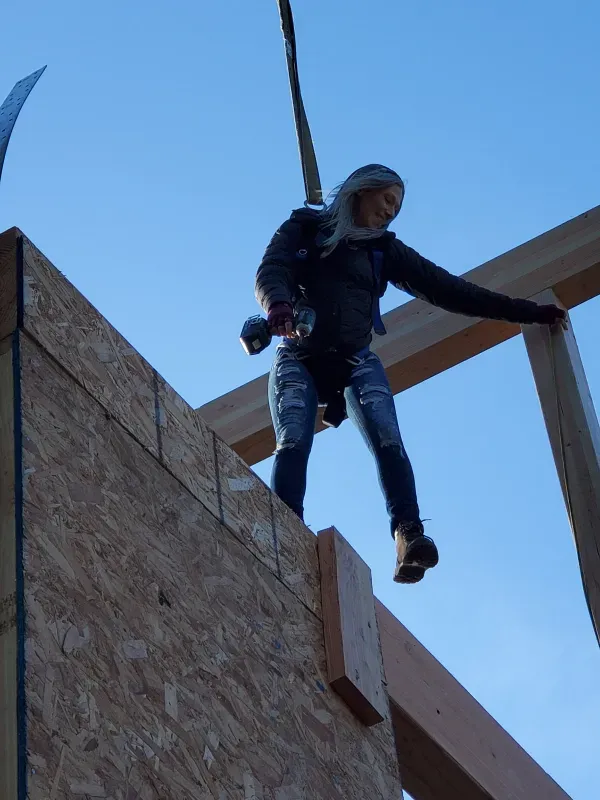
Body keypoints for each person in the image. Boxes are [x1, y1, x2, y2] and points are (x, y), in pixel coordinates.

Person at [254, 164, 566, 584]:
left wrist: (526, 312)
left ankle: (409, 536)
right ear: (361, 191)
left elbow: (449, 289)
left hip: (354, 360)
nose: (390, 213)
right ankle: (285, 526)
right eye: (387, 201)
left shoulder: (383, 251)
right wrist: (277, 305)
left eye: (396, 208)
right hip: (299, 354)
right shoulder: (306, 228)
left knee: (388, 439)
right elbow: (272, 268)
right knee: (292, 441)